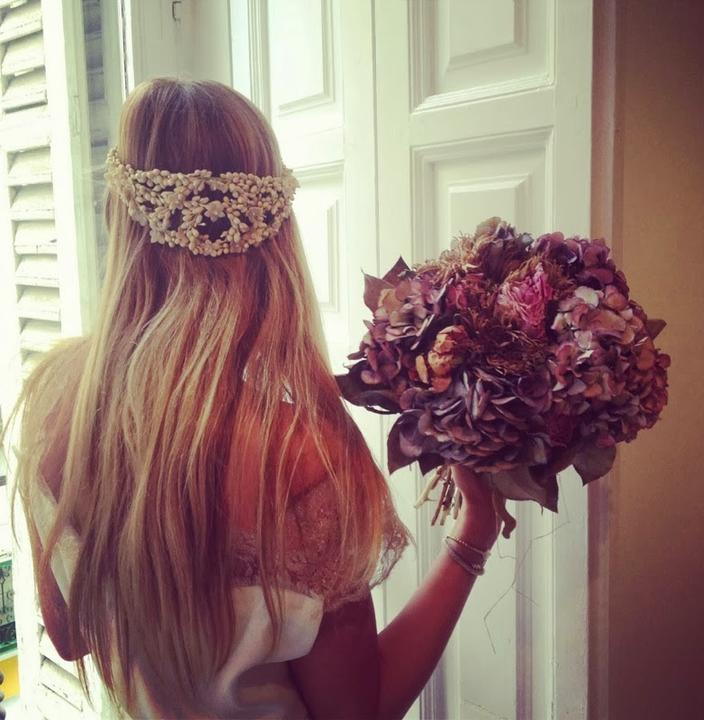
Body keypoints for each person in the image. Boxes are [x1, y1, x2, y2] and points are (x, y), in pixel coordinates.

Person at [7, 79, 504, 719]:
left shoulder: (53, 396)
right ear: (276, 241)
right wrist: (474, 535)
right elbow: (360, 714)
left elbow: (70, 635)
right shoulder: (304, 457)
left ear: (118, 218)